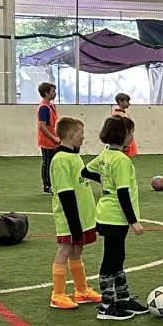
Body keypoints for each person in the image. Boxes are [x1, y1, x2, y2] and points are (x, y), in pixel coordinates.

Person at [87, 115, 147, 321]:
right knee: (111, 259)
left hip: (106, 213)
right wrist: (134, 221)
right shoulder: (121, 160)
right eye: (131, 132)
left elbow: (86, 170)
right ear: (124, 135)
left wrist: (105, 181)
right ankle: (106, 305)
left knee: (117, 257)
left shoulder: (106, 154)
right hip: (115, 216)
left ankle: (122, 298)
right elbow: (122, 193)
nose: (132, 136)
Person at [48, 116, 103, 310]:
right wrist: (74, 224)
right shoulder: (61, 160)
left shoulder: (74, 155)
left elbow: (85, 176)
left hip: (84, 216)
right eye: (81, 134)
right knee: (65, 250)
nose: (83, 138)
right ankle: (58, 294)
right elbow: (65, 194)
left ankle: (81, 290)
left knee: (77, 250)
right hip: (70, 218)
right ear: (72, 134)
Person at [37, 82, 60, 194]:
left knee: (52, 162)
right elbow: (42, 126)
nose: (55, 93)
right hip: (47, 141)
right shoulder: (44, 108)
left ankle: (53, 183)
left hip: (53, 140)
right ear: (46, 93)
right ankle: (47, 185)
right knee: (47, 162)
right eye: (53, 91)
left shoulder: (51, 106)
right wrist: (53, 137)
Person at [112, 93, 137, 158]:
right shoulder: (117, 115)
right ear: (120, 101)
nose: (129, 103)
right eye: (127, 101)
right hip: (123, 140)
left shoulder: (125, 114)